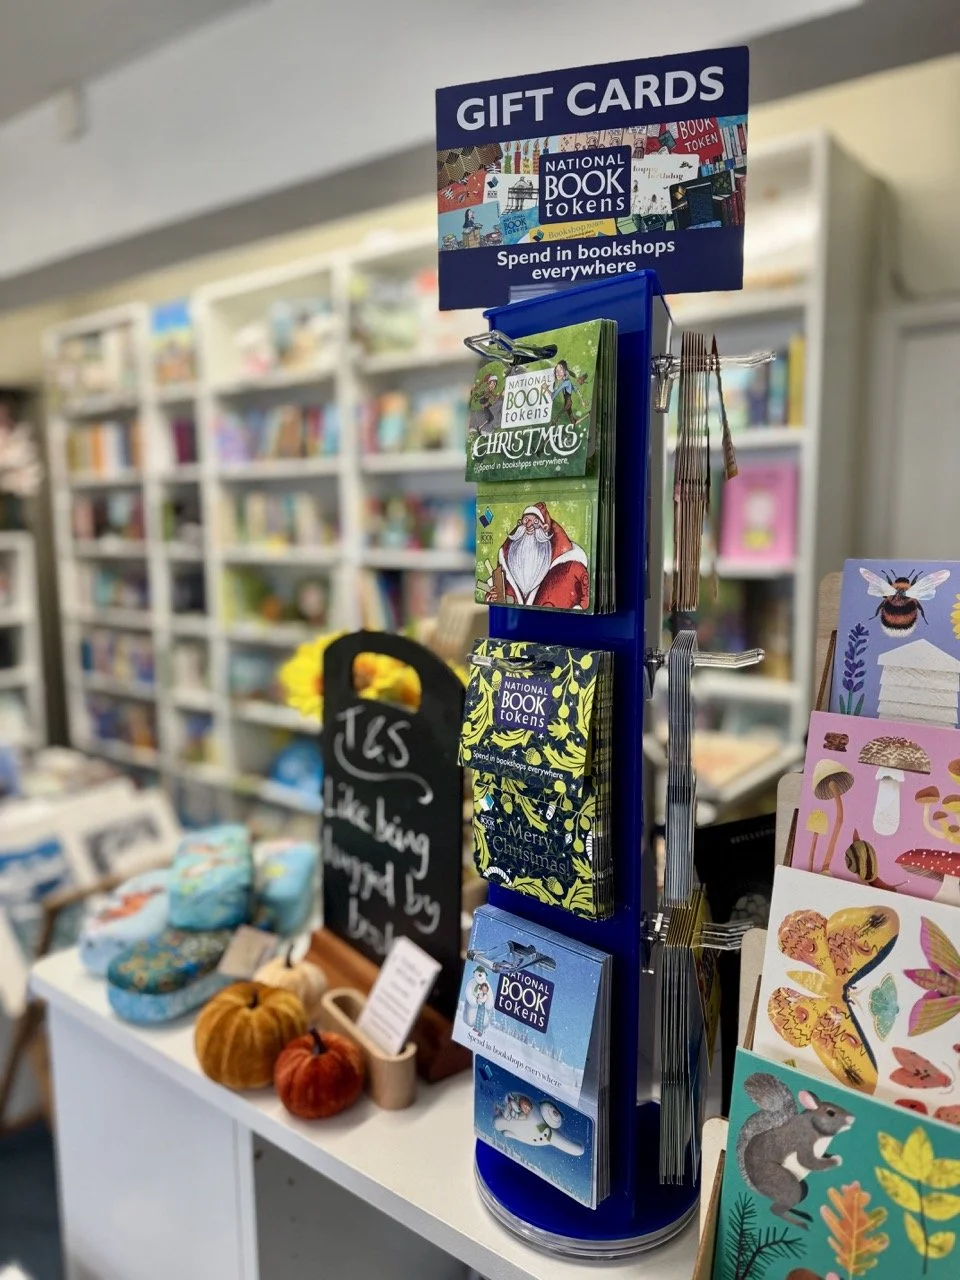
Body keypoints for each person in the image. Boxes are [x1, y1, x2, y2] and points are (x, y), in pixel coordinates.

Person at [489, 501, 589, 610]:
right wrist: (492, 599)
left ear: (545, 528)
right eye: (526, 520)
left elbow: (587, 598)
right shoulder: (506, 564)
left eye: (535, 522)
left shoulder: (571, 567)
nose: (529, 525)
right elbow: (497, 595)